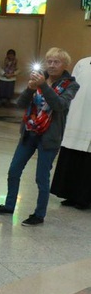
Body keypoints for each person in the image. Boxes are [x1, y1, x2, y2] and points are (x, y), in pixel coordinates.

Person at [0, 48, 78, 226]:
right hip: (30, 132)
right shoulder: (38, 78)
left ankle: (39, 214)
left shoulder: (70, 85)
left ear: (65, 65)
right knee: (14, 170)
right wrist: (30, 89)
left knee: (41, 177)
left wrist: (43, 85)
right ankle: (9, 205)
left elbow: (59, 105)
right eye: (49, 61)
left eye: (56, 62)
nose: (51, 65)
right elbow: (20, 104)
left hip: (49, 136)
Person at [50, 55, 91, 210]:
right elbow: (72, 86)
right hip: (77, 115)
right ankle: (69, 193)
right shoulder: (83, 62)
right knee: (72, 156)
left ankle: (84, 198)